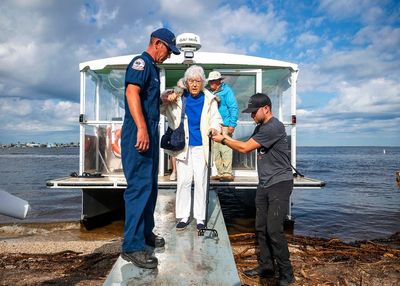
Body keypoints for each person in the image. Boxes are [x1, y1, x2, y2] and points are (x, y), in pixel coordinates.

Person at [212, 93, 295, 285]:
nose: (251, 116)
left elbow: (244, 148)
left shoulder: (274, 126)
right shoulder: (260, 127)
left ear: (266, 108)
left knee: (274, 230)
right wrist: (224, 135)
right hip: (265, 183)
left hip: (279, 184)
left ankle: (287, 274)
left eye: (253, 112)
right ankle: (266, 268)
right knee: (260, 227)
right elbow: (243, 143)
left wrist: (222, 139)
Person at [120, 27, 180, 269]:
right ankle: (132, 246)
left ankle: (145, 234)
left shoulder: (153, 69)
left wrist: (162, 99)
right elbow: (131, 92)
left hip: (150, 130)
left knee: (150, 187)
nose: (169, 56)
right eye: (168, 50)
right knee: (138, 188)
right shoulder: (141, 63)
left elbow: (146, 100)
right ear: (157, 43)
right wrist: (142, 129)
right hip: (139, 131)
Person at [161, 65, 222, 231]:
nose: (194, 84)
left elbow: (216, 119)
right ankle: (183, 216)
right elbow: (161, 107)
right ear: (186, 82)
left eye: (198, 81)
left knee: (201, 182)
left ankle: (200, 218)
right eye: (191, 81)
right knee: (184, 181)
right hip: (183, 147)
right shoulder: (178, 97)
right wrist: (169, 96)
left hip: (201, 146)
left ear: (202, 83)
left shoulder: (209, 99)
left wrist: (214, 128)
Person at [207, 71, 238, 182]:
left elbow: (233, 107)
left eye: (213, 81)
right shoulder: (210, 92)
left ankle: (227, 173)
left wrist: (232, 124)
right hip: (215, 125)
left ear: (219, 81)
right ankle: (220, 173)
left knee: (226, 148)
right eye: (210, 81)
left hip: (225, 124)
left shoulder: (227, 90)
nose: (211, 83)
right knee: (216, 149)